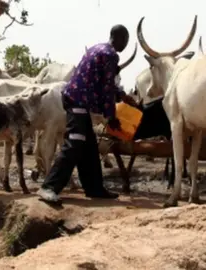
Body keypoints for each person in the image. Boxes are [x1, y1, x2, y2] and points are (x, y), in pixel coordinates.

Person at [37, 24, 138, 204]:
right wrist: (112, 117)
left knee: (89, 146)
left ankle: (94, 188)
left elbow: (101, 81)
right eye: (126, 40)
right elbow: (106, 88)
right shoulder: (110, 55)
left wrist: (122, 95)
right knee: (74, 143)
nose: (125, 44)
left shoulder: (96, 49)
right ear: (118, 38)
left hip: (76, 98)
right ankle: (49, 187)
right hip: (79, 101)